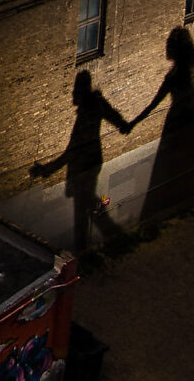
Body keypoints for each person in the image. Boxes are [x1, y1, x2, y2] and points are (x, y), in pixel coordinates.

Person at [133, 25, 194, 214]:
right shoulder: (183, 70)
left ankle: (183, 199)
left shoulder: (171, 77)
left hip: (179, 119)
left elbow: (152, 105)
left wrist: (132, 123)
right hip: (192, 113)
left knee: (178, 161)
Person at [33, 69, 135, 253]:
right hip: (91, 163)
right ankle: (111, 239)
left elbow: (72, 152)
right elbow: (112, 115)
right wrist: (123, 125)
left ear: (81, 91)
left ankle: (95, 245)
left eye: (75, 90)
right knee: (88, 207)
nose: (72, 93)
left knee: (83, 210)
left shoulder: (87, 114)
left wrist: (46, 169)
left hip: (83, 167)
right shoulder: (96, 104)